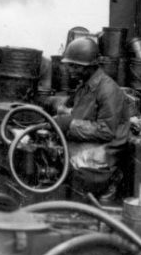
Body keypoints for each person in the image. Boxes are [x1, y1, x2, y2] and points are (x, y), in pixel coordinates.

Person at [50, 36, 130, 203]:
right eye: (69, 65)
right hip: (91, 141)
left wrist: (69, 124)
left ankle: (110, 183)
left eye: (75, 66)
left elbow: (106, 130)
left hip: (106, 152)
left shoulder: (108, 90)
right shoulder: (86, 85)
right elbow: (82, 113)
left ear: (90, 67)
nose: (70, 70)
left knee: (68, 163)